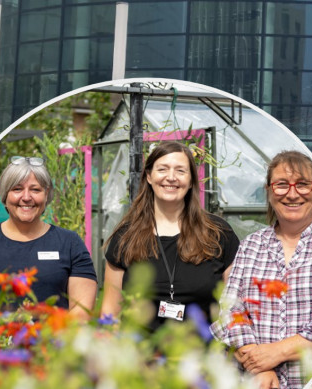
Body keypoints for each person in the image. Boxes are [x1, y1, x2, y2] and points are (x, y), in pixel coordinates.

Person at [212, 150, 312, 389]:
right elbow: (230, 309)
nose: (292, 193)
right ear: (269, 191)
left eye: (303, 184)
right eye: (281, 185)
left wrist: (278, 352)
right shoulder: (251, 246)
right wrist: (257, 363)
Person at [101, 141, 239, 329]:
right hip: (139, 354)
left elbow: (235, 308)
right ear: (149, 176)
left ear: (191, 181)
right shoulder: (126, 237)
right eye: (163, 169)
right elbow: (110, 313)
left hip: (202, 355)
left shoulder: (218, 233)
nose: (171, 177)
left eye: (181, 171)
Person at [0, 156, 97, 318]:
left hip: (52, 341)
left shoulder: (69, 243)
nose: (26, 197)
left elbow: (82, 310)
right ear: (5, 195)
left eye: (35, 190)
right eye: (17, 189)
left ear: (47, 194)